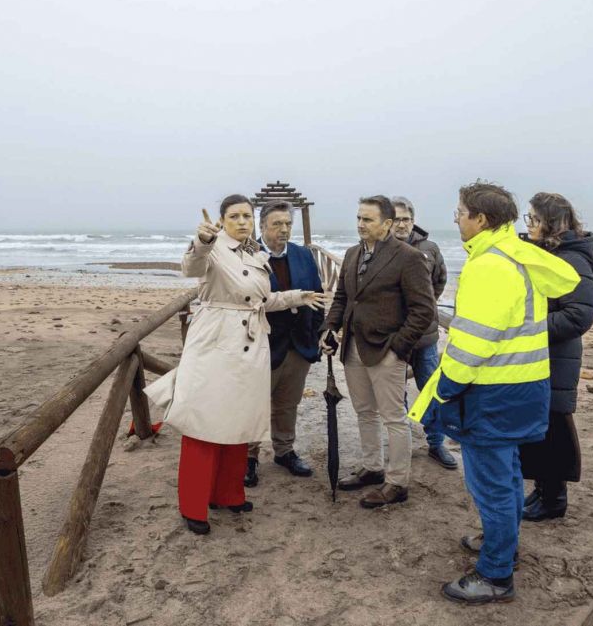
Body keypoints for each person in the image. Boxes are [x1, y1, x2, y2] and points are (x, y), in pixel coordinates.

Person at [408, 181, 578, 605]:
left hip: (492, 394)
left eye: (460, 211)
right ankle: (504, 545)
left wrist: (443, 390)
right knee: (507, 476)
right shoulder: (518, 257)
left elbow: (472, 345)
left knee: (492, 486)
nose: (455, 218)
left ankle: (496, 573)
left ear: (480, 219)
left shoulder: (489, 266)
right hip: (521, 389)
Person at [151, 195, 327, 535]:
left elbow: (260, 300)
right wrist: (202, 240)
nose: (242, 221)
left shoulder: (254, 252)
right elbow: (191, 267)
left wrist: (296, 297)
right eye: (235, 216)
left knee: (237, 423)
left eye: (247, 215)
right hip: (216, 346)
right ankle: (194, 504)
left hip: (250, 345)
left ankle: (229, 494)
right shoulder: (212, 247)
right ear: (223, 220)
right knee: (204, 425)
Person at [321, 195, 436, 509]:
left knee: (394, 418)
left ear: (387, 223)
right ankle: (372, 467)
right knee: (364, 412)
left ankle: (397, 482)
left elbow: (423, 310)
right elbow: (342, 298)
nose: (360, 224)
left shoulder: (409, 257)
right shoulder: (352, 253)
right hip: (352, 348)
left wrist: (398, 348)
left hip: (386, 350)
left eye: (367, 219)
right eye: (358, 218)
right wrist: (330, 328)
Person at [518, 193, 593, 521]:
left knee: (554, 427)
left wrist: (529, 327)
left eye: (533, 220)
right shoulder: (551, 252)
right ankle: (543, 490)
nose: (529, 226)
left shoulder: (571, 259)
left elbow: (580, 315)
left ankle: (554, 498)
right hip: (544, 354)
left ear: (549, 223)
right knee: (542, 426)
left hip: (556, 356)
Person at [244, 200, 325, 486]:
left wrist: (316, 335)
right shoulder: (248, 256)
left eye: (288, 224)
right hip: (262, 343)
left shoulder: (304, 255)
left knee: (288, 403)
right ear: (262, 226)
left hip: (298, 344)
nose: (283, 229)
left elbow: (318, 297)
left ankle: (284, 451)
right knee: (255, 403)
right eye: (277, 224)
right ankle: (249, 457)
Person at [390, 196, 456, 470]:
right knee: (396, 392)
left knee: (432, 390)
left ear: (413, 221)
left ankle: (436, 443)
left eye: (406, 219)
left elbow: (439, 281)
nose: (401, 224)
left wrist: (424, 308)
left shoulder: (429, 248)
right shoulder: (380, 249)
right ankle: (400, 443)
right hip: (393, 336)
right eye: (396, 219)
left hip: (426, 336)